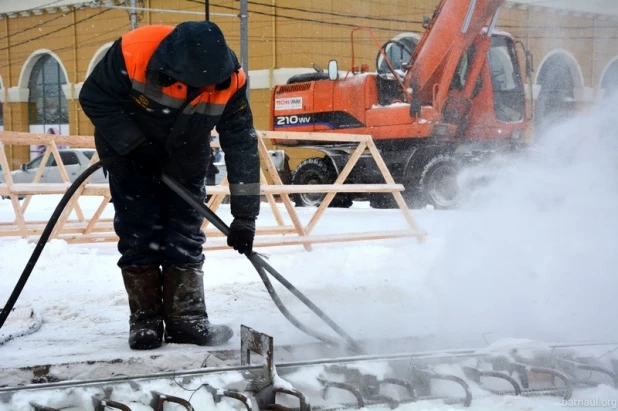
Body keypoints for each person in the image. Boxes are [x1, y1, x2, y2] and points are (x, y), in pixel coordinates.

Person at [78, 21, 261, 350]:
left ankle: (186, 319)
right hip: (127, 152)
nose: (199, 91)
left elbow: (242, 144)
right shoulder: (133, 52)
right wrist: (133, 145)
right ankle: (145, 320)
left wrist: (245, 217)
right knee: (138, 227)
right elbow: (94, 97)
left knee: (185, 228)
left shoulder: (232, 80)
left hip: (187, 152)